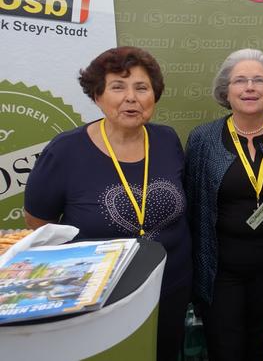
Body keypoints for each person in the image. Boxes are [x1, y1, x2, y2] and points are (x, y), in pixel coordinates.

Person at [23, 46, 192, 361]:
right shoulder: (65, 151)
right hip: (99, 300)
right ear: (97, 95)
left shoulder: (168, 140)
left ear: (154, 96)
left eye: (141, 88)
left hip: (170, 285)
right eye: (118, 86)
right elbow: (37, 222)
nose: (131, 97)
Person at [185, 49, 263, 361]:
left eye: (259, 80)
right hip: (220, 269)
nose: (250, 87)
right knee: (225, 348)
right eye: (240, 81)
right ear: (225, 92)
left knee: (259, 343)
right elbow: (191, 205)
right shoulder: (203, 139)